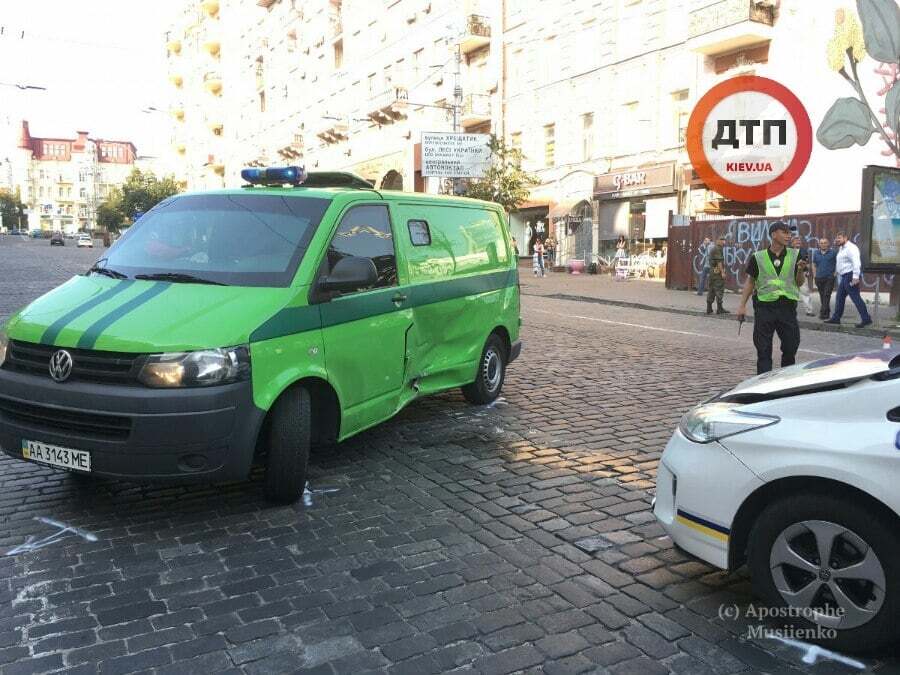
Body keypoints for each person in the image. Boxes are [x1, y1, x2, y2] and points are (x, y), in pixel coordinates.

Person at [737, 221, 808, 374]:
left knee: (791, 346)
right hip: (764, 308)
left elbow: (799, 282)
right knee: (763, 349)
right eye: (784, 232)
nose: (788, 236)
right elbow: (750, 282)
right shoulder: (758, 257)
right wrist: (742, 305)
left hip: (787, 308)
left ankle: (786, 380)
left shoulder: (796, 255)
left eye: (789, 233)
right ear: (773, 234)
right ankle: (763, 384)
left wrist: (801, 270)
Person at [824, 232, 872, 328]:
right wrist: (837, 271)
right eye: (836, 238)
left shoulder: (851, 248)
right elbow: (842, 262)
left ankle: (866, 319)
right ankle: (836, 318)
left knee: (855, 298)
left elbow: (856, 262)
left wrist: (855, 277)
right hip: (844, 276)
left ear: (845, 238)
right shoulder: (842, 248)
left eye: (839, 238)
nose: (837, 240)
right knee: (839, 297)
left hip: (850, 276)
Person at [812, 237, 837, 320]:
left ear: (828, 244)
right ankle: (827, 312)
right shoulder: (816, 253)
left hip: (829, 278)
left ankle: (822, 313)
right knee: (822, 296)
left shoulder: (833, 252)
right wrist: (815, 275)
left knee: (827, 295)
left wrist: (835, 273)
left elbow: (838, 263)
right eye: (821, 243)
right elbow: (814, 264)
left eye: (825, 243)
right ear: (819, 244)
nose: (823, 244)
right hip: (819, 278)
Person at [791, 235, 816, 317]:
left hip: (802, 273)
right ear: (792, 243)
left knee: (805, 292)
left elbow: (807, 263)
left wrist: (808, 271)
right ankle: (790, 311)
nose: (798, 242)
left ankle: (809, 310)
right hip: (790, 275)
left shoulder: (804, 251)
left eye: (799, 241)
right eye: (796, 241)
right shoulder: (788, 252)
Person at [706, 234, 728, 315]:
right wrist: (722, 272)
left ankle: (709, 308)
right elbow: (719, 262)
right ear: (717, 241)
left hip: (712, 271)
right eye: (721, 240)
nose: (723, 241)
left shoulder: (715, 248)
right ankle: (719, 309)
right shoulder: (717, 248)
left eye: (724, 240)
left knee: (711, 289)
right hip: (717, 272)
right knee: (719, 289)